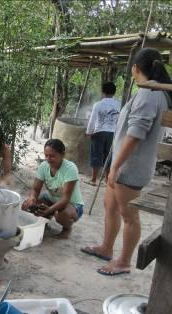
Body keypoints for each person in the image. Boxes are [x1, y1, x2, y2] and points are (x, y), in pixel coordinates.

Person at [81, 48, 172, 276]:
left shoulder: (150, 94)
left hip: (131, 167)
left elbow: (134, 136)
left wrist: (115, 166)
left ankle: (123, 261)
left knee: (129, 215)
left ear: (135, 68)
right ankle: (106, 248)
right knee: (110, 206)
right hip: (123, 163)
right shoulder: (148, 92)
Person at [22, 139, 84, 239]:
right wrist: (32, 198)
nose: (48, 159)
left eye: (52, 156)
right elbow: (36, 189)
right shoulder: (43, 166)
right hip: (51, 199)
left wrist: (49, 209)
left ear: (62, 154)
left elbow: (65, 199)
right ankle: (43, 222)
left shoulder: (70, 168)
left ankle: (67, 229)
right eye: (46, 155)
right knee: (27, 205)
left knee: (62, 215)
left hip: (72, 204)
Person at [85, 82, 120, 186]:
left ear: (103, 92)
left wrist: (89, 132)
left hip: (99, 132)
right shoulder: (119, 104)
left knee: (96, 155)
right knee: (108, 157)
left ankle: (93, 179)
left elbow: (92, 120)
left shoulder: (98, 104)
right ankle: (106, 180)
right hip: (112, 133)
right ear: (114, 92)